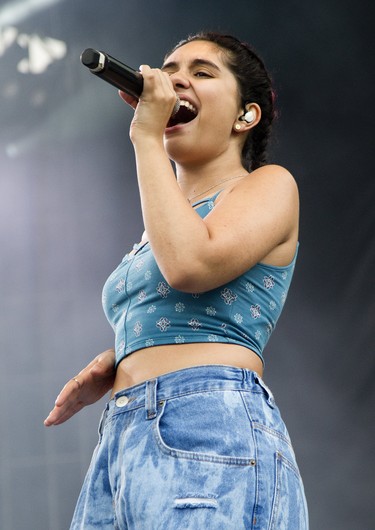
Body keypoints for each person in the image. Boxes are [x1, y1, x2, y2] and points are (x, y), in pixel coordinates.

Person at [44, 31, 308, 529]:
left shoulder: (269, 186)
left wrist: (145, 137)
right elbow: (184, 295)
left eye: (202, 73)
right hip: (122, 437)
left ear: (244, 116)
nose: (175, 79)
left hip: (204, 420)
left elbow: (191, 266)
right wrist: (126, 353)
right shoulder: (161, 227)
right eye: (169, 70)